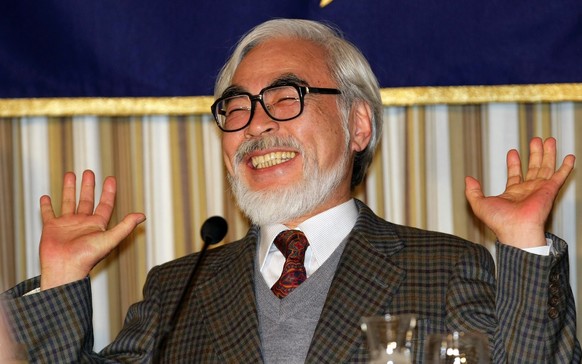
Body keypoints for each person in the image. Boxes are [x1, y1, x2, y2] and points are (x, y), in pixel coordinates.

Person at [1, 18, 580, 363]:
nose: (255, 125)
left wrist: (524, 243)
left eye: (286, 97)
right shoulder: (179, 286)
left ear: (358, 125)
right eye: (236, 107)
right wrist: (61, 278)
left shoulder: (446, 266)